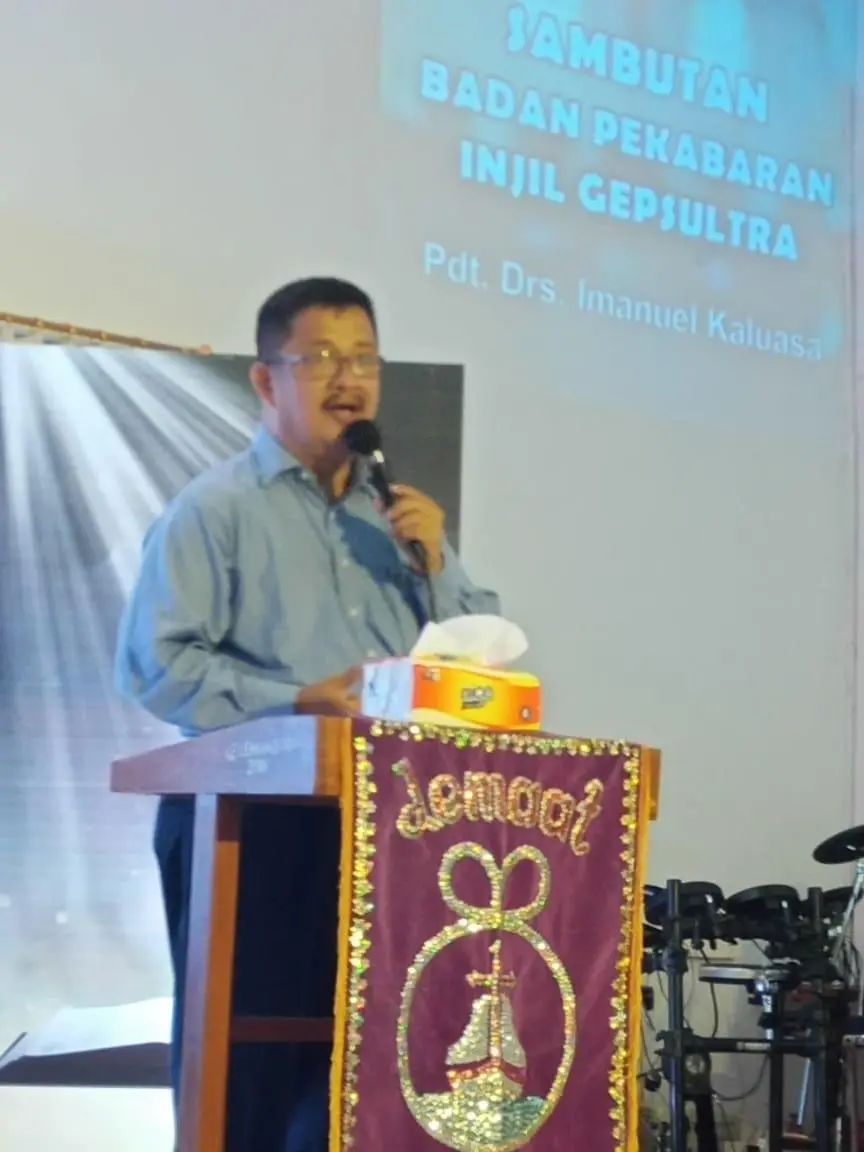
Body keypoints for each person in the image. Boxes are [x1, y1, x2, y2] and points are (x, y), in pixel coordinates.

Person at [115, 276, 500, 1151]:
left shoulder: (399, 519)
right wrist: (298, 700)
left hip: (392, 828)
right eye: (322, 357)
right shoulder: (215, 511)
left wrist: (437, 563)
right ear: (266, 380)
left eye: (364, 359)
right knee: (254, 1080)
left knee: (379, 1069)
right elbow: (158, 667)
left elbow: (478, 652)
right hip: (251, 827)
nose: (348, 378)